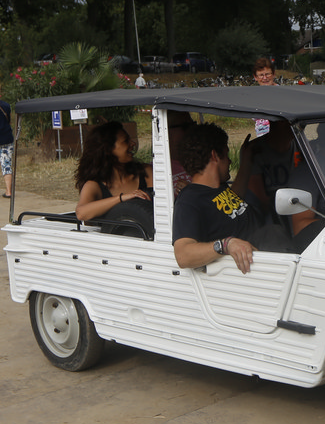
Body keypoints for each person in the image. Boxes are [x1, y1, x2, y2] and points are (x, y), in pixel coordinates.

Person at [172, 122, 268, 274]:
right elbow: (183, 255)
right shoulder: (189, 200)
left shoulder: (217, 188)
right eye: (227, 154)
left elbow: (233, 201)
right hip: (259, 261)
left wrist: (247, 160)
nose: (230, 161)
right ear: (214, 156)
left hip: (268, 243)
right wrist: (226, 245)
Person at [75, 121, 153, 238]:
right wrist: (122, 198)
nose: (133, 144)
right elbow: (81, 213)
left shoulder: (146, 172)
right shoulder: (94, 185)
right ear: (108, 149)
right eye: (126, 141)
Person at [251, 57, 275, 136]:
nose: (265, 78)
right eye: (261, 75)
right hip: (262, 138)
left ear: (273, 74)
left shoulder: (283, 93)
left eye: (267, 74)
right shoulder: (254, 96)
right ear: (255, 77)